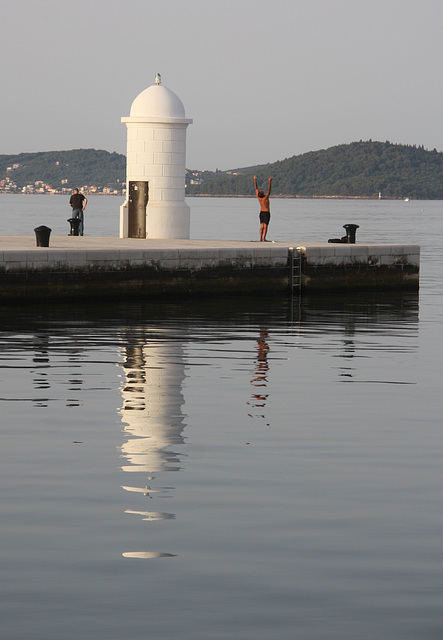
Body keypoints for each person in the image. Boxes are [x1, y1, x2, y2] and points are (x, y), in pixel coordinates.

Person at [254, 176, 272, 241]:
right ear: (263, 194)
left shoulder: (259, 198)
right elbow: (269, 189)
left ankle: (260, 238)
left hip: (261, 212)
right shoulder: (266, 198)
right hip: (266, 213)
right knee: (265, 226)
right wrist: (270, 182)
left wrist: (255, 180)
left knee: (262, 226)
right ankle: (264, 238)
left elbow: (256, 188)